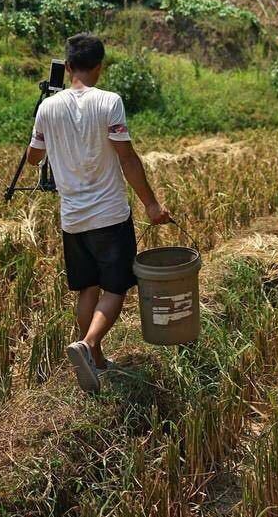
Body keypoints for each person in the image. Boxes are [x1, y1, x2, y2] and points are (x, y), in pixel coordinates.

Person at [27, 32, 171, 393]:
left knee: (86, 288)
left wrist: (47, 121)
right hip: (109, 214)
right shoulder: (109, 102)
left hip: (72, 219)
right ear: (99, 67)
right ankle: (90, 345)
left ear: (69, 65)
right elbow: (126, 157)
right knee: (116, 288)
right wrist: (151, 204)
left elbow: (33, 158)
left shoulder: (48, 108)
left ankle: (97, 359)